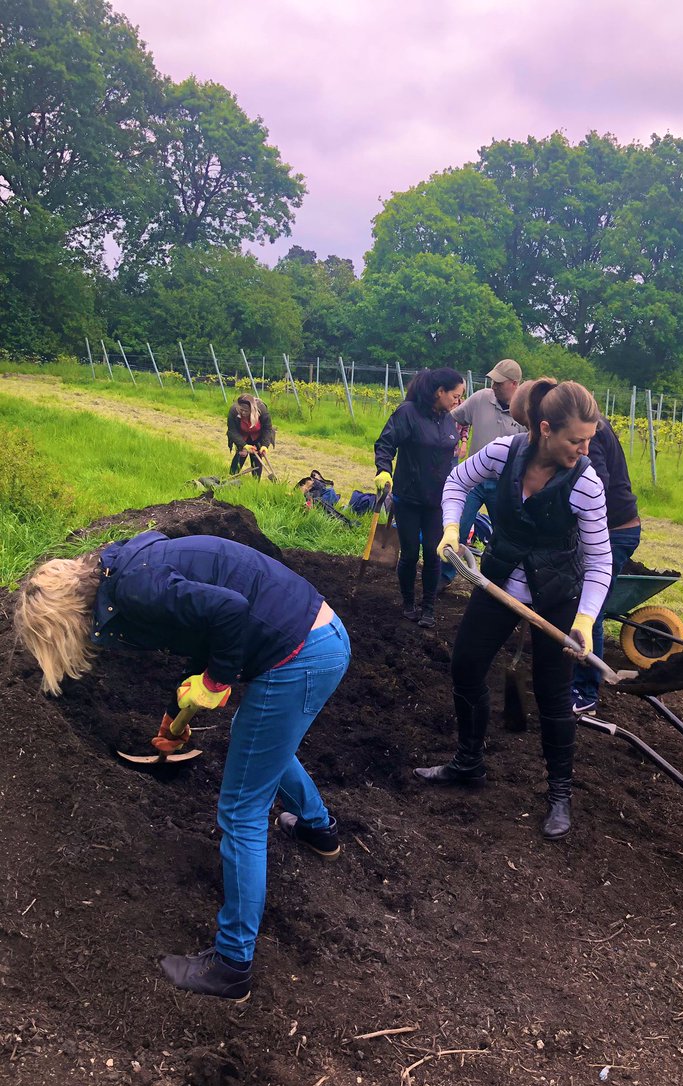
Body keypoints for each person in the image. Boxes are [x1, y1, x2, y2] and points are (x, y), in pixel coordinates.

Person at [13, 532, 350, 1002]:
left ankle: (232, 965)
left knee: (240, 811)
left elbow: (229, 612)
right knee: (256, 746)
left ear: (63, 621)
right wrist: (176, 714)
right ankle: (318, 829)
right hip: (317, 636)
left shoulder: (135, 590)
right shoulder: (124, 570)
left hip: (299, 655)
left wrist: (215, 681)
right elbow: (200, 627)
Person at [414, 379, 613, 841]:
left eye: (589, 439)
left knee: (551, 692)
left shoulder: (585, 482)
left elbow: (600, 558)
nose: (584, 449)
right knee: (465, 664)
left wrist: (584, 619)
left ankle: (559, 793)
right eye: (575, 439)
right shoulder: (504, 454)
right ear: (545, 429)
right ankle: (468, 762)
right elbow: (457, 481)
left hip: (556, 595)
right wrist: (449, 528)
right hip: (499, 581)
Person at [373, 368, 464, 629]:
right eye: (455, 396)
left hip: (438, 501)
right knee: (410, 554)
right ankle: (408, 603)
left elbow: (452, 456)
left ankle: (429, 607)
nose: (458, 402)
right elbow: (385, 444)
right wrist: (383, 469)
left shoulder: (448, 419)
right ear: (440, 392)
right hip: (409, 497)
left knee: (434, 555)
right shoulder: (407, 413)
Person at [571, 418, 641, 713]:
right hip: (612, 529)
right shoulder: (590, 426)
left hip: (614, 533)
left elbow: (597, 481)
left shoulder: (590, 433)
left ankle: (585, 693)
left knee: (591, 610)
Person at [438, 359, 527, 591]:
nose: (494, 385)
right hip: (474, 480)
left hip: (506, 485)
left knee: (504, 536)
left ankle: (497, 585)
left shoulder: (525, 411)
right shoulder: (480, 399)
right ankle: (443, 576)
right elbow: (451, 419)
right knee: (457, 524)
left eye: (499, 382)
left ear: (514, 384)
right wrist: (448, 443)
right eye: (493, 381)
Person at [227, 393, 275, 480]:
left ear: (252, 409)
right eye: (241, 410)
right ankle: (230, 479)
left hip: (257, 437)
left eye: (246, 411)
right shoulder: (233, 411)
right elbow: (232, 431)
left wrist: (265, 445)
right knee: (240, 455)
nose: (243, 412)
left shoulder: (262, 410)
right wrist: (244, 445)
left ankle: (255, 483)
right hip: (241, 436)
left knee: (257, 460)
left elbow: (267, 429)